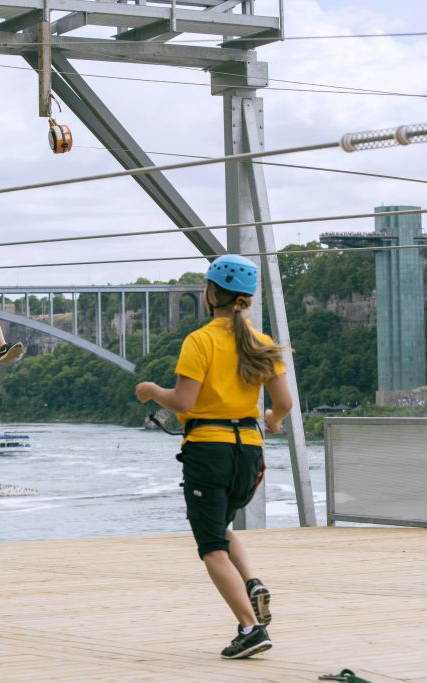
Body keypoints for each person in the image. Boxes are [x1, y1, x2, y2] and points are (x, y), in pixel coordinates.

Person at [134, 254, 292, 660]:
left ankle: (250, 628)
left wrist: (152, 390)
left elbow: (183, 400)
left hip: (209, 450)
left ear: (211, 293)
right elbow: (284, 403)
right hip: (250, 454)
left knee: (211, 546)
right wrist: (272, 420)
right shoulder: (262, 344)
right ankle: (252, 582)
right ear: (248, 299)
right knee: (220, 524)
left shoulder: (200, 340)